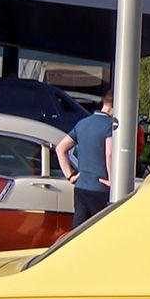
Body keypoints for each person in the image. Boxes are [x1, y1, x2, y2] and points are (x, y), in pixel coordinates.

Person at [56, 90, 115, 227]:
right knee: (101, 230)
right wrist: (112, 179)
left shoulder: (82, 123)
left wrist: (70, 176)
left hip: (81, 186)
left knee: (79, 230)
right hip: (100, 188)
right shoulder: (110, 126)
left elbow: (60, 148)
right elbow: (109, 153)